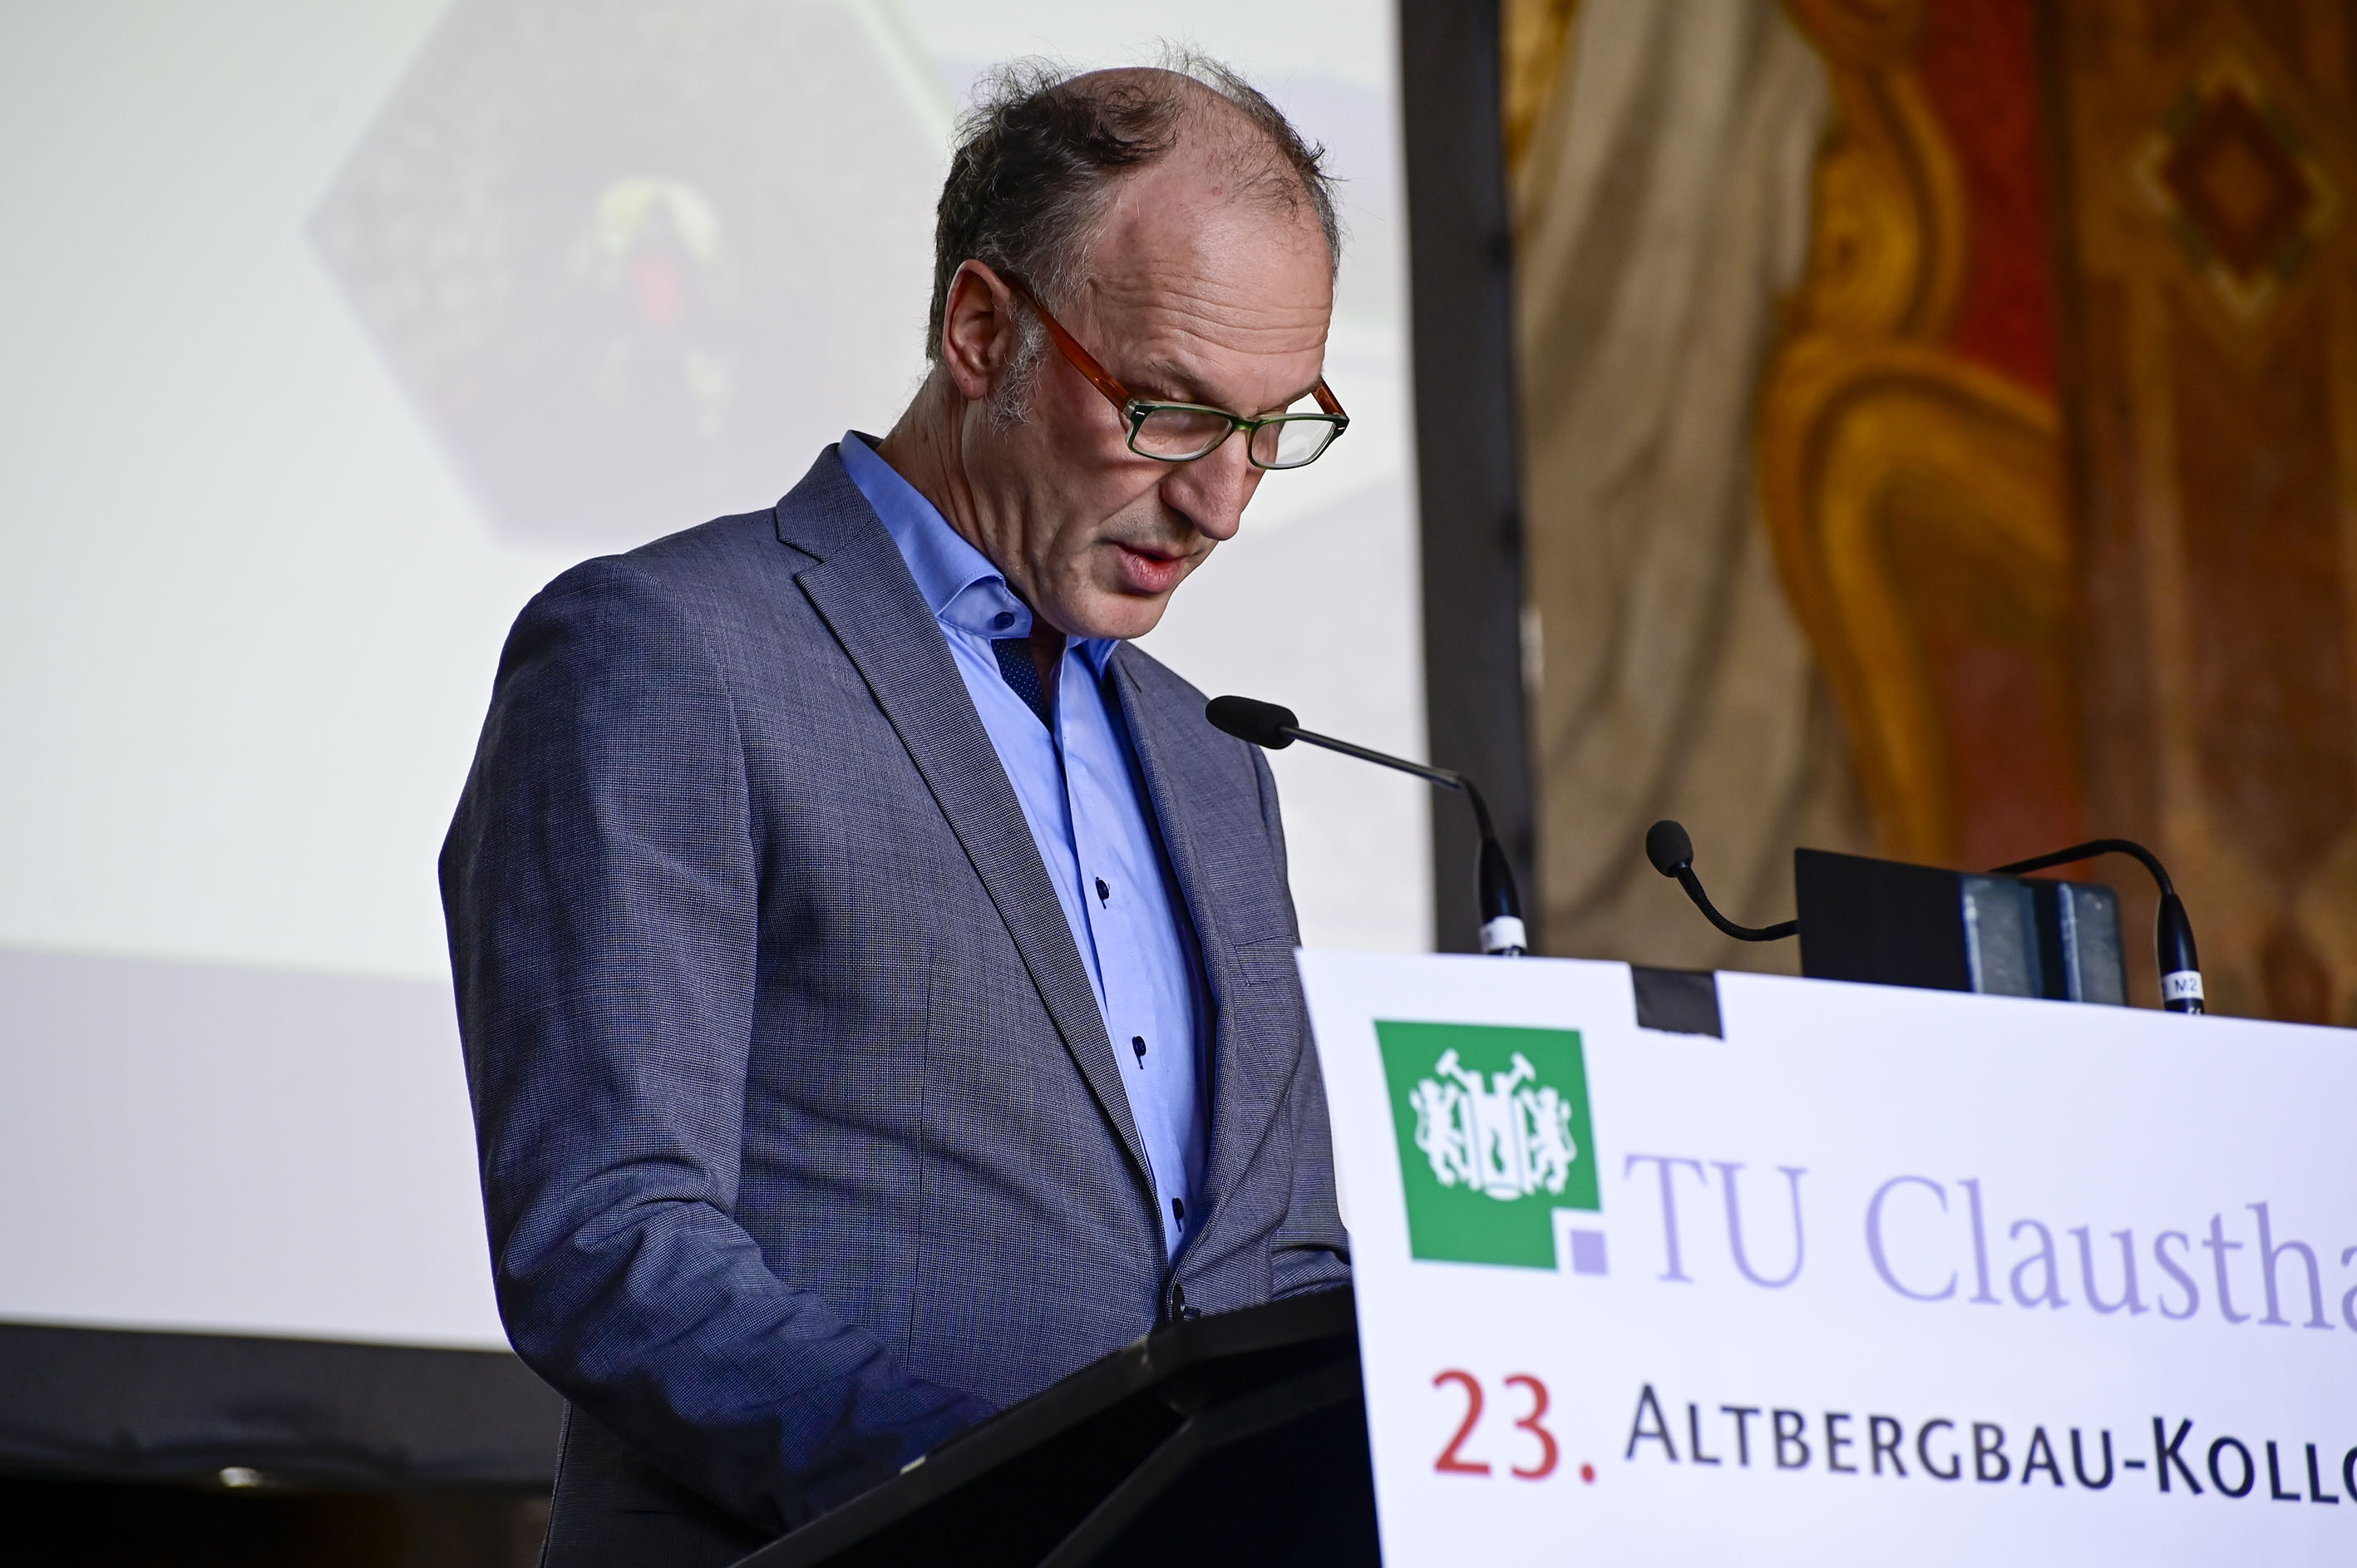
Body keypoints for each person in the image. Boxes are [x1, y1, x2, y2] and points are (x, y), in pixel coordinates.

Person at [440, 55, 1354, 1565]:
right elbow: (609, 1232)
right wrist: (1000, 1497)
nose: (1224, 504)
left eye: (1272, 428)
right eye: (1173, 412)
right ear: (983, 331)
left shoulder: (1220, 764)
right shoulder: (665, 650)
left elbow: (1277, 1252)